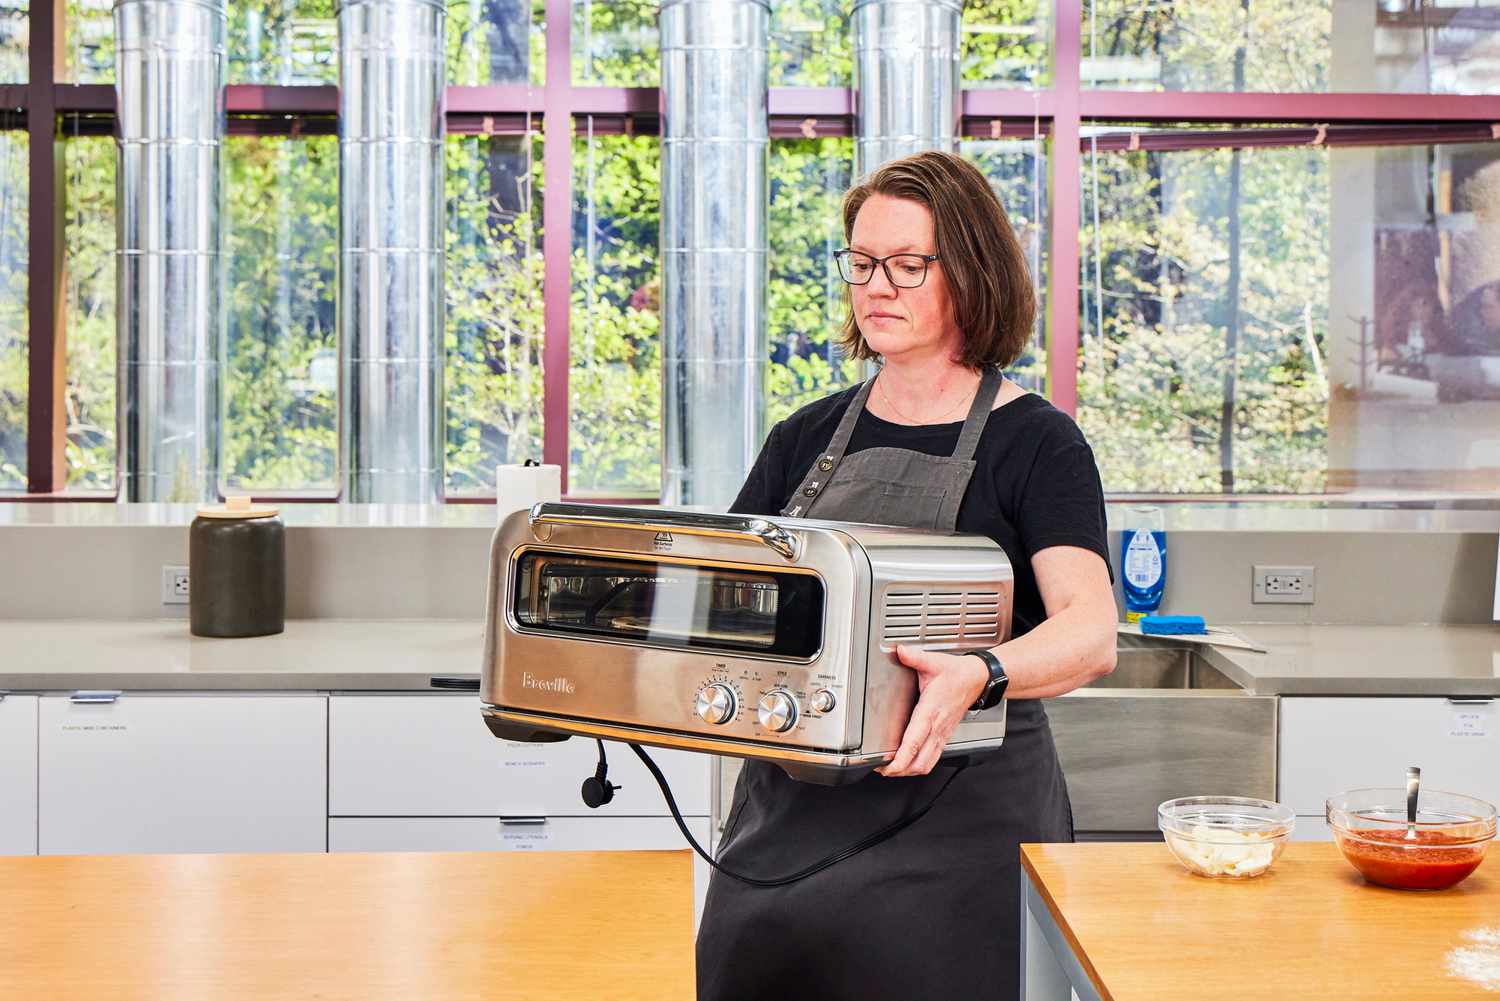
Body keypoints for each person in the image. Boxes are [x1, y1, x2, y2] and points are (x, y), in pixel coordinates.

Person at [695, 150, 1119, 1001]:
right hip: (790, 823)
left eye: (906, 265)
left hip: (963, 836)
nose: (875, 286)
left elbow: (1089, 629)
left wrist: (983, 670)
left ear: (969, 270)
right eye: (860, 263)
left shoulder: (1037, 442)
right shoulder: (801, 437)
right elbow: (725, 600)